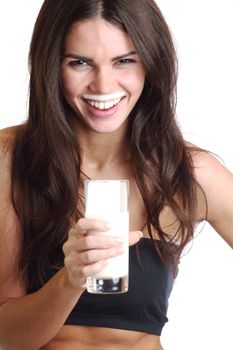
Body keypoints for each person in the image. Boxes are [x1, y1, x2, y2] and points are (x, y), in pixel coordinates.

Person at [0, 0, 232, 349]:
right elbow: (7, 338)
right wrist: (72, 278)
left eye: (124, 61)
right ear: (51, 65)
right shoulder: (11, 158)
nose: (102, 84)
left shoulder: (188, 172)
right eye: (79, 62)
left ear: (151, 63)